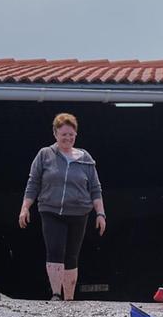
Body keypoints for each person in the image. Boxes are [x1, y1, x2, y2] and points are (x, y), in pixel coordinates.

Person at [19, 112, 106, 301]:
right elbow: (33, 183)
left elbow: (95, 189)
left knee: (72, 255)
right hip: (51, 210)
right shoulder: (45, 155)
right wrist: (25, 208)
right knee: (55, 250)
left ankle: (69, 297)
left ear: (76, 135)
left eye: (71, 134)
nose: (67, 138)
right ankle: (56, 294)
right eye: (63, 134)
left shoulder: (86, 158)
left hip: (78, 212)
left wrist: (100, 214)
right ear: (55, 134)